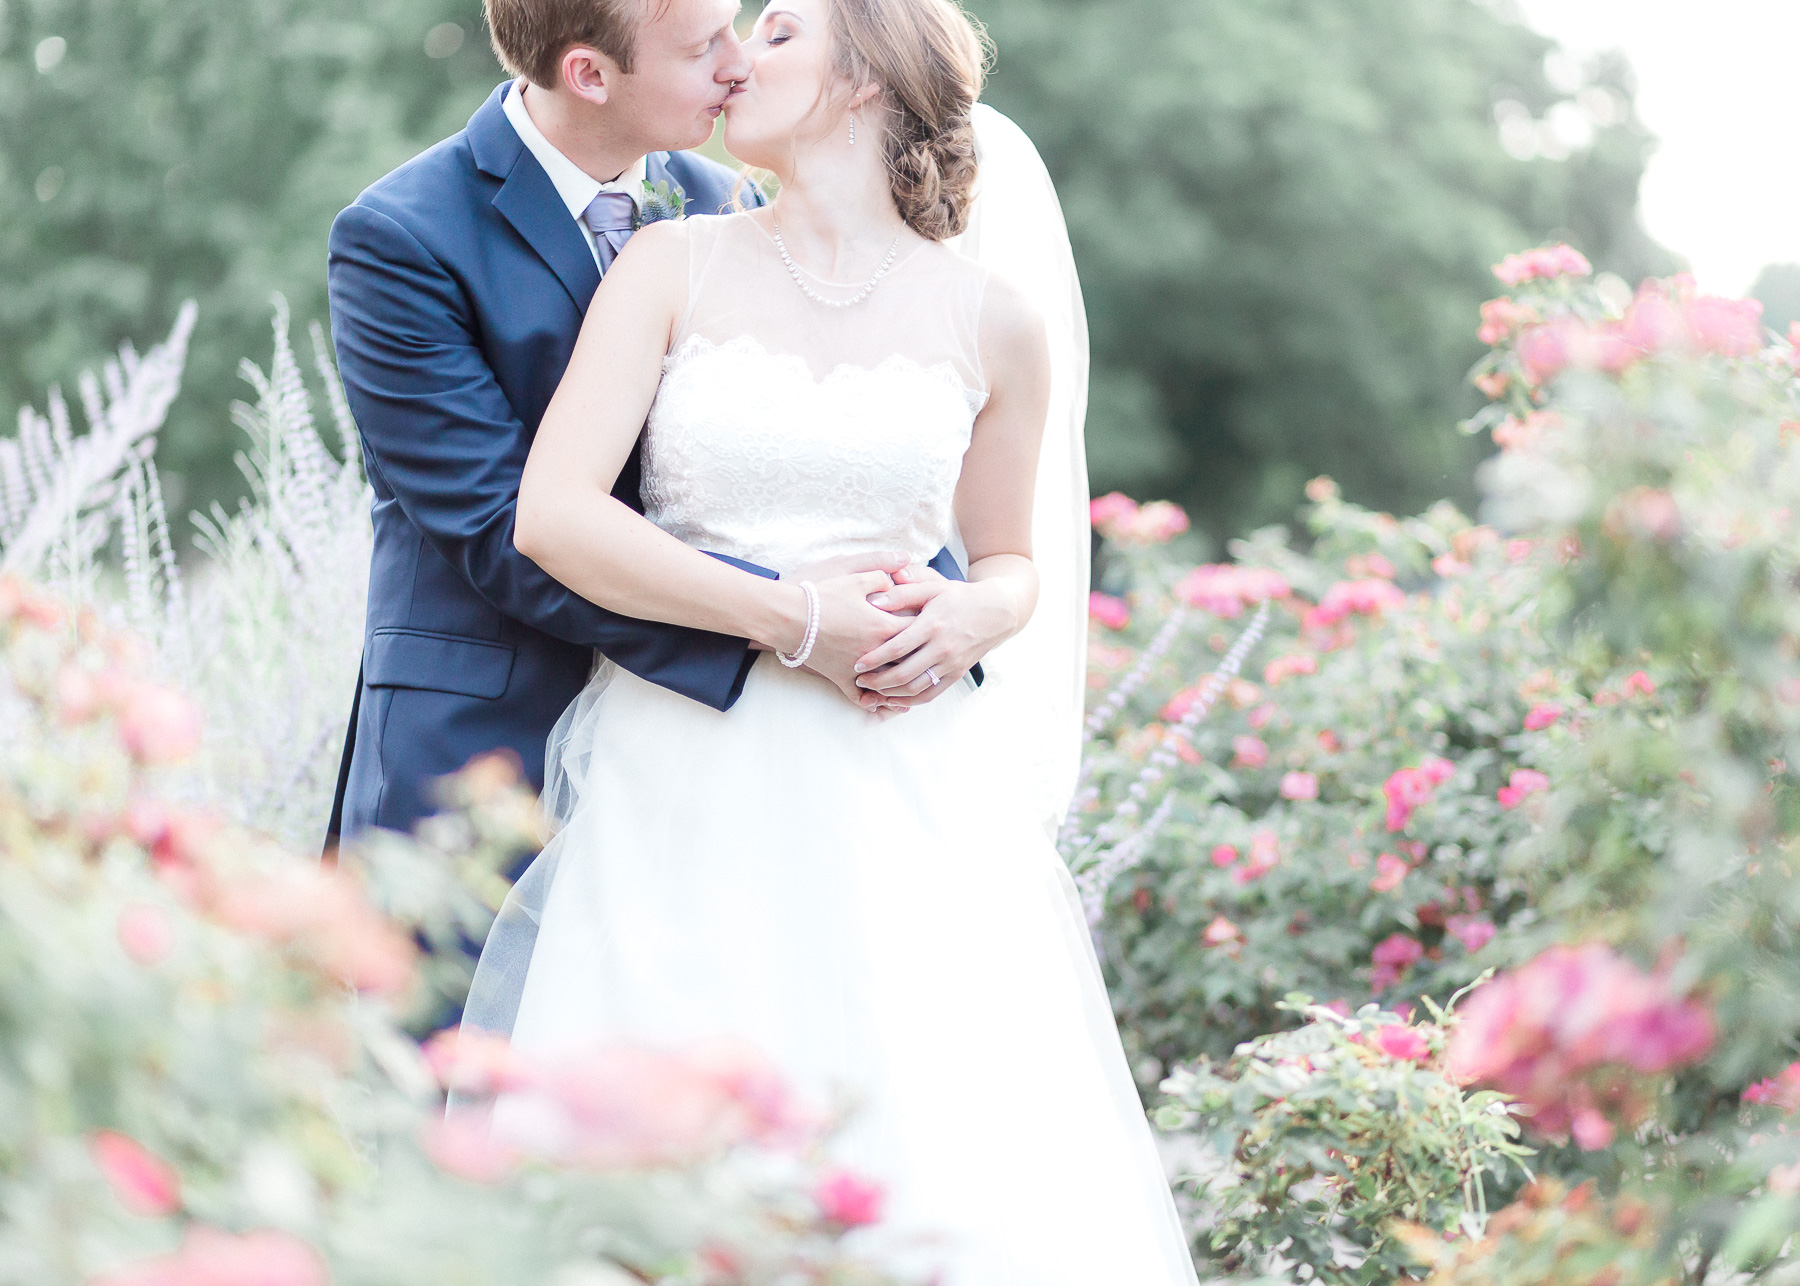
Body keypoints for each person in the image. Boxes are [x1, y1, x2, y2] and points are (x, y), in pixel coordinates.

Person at [462, 0, 1200, 1277]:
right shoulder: (671, 264)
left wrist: (981, 606)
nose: (735, 55)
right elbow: (554, 513)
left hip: (905, 786)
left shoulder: (992, 320)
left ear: (866, 75)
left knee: (922, 1138)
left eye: (779, 30)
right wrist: (795, 617)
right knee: (660, 1166)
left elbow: (1016, 556)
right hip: (685, 771)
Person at [323, 0, 1006, 844]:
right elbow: (501, 531)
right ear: (591, 75)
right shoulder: (401, 238)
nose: (737, 62)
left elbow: (820, 443)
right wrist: (795, 623)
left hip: (750, 746)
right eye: (702, 46)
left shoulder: (727, 209)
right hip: (485, 743)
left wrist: (932, 612)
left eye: (743, 27)